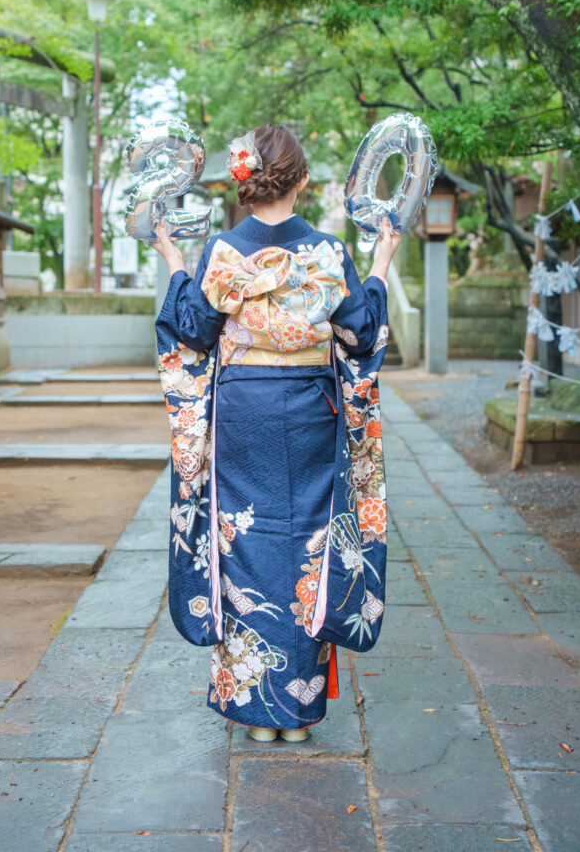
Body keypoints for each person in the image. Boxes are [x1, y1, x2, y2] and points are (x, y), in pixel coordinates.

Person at [153, 124, 401, 743]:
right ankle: (300, 712)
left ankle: (255, 710)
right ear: (304, 182)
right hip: (312, 408)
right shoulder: (328, 254)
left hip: (243, 412)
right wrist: (379, 266)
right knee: (312, 541)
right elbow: (362, 335)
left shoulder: (222, 254)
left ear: (245, 183)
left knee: (243, 536)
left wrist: (176, 265)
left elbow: (192, 333)